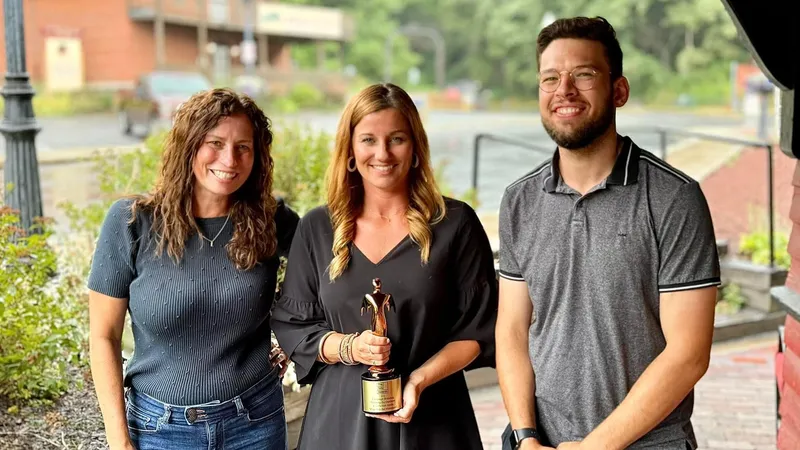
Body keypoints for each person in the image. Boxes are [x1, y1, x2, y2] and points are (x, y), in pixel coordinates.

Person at [495, 17, 721, 450]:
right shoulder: (519, 200)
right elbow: (511, 329)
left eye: (583, 74)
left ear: (619, 90)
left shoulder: (674, 198)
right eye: (550, 78)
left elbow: (689, 354)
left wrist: (596, 447)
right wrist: (524, 436)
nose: (564, 90)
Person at [270, 83, 498, 450]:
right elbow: (293, 326)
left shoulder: (456, 224)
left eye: (396, 139)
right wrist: (352, 347)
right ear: (350, 151)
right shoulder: (317, 228)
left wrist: (420, 380)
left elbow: (479, 330)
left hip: (436, 420)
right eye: (368, 140)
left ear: (416, 149)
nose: (383, 153)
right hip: (339, 424)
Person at [88, 88, 299, 450]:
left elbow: (333, 276)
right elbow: (103, 336)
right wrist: (118, 440)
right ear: (189, 146)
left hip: (255, 423)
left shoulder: (271, 221)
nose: (229, 159)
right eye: (214, 142)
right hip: (159, 430)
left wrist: (296, 343)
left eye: (243, 147)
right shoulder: (132, 223)